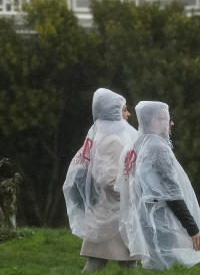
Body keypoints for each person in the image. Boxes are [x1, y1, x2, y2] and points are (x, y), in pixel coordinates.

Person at [117, 101, 200, 271]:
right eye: (166, 118)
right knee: (163, 266)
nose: (171, 123)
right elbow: (170, 193)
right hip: (158, 221)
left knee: (153, 265)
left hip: (143, 218)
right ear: (155, 122)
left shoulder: (137, 144)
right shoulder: (156, 148)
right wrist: (193, 228)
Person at [63, 88, 139, 273]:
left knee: (107, 264)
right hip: (114, 215)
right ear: (113, 112)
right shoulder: (114, 140)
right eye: (124, 110)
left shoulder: (101, 136)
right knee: (125, 265)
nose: (128, 114)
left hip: (107, 213)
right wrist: (134, 189)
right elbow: (108, 180)